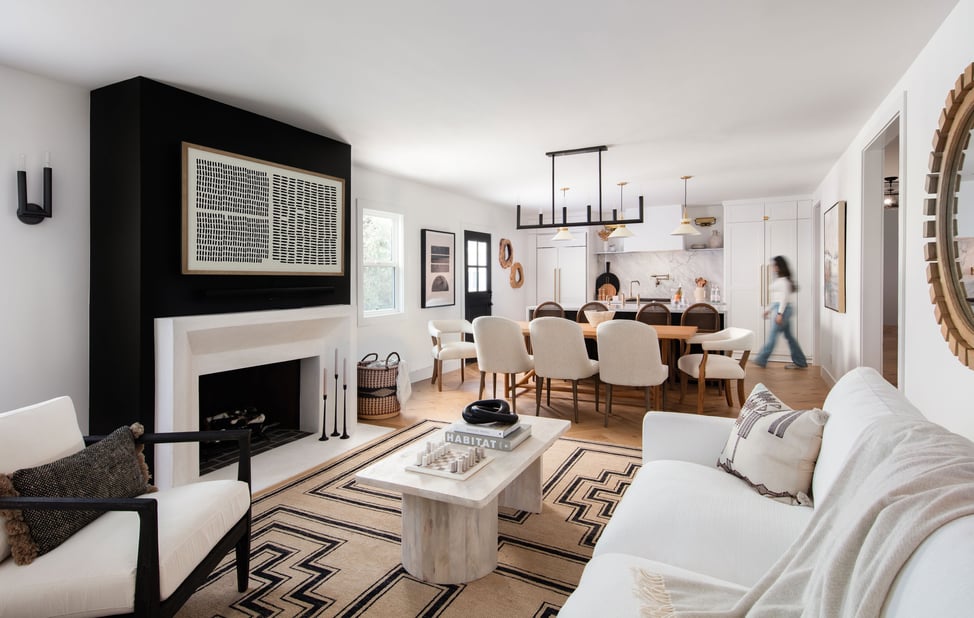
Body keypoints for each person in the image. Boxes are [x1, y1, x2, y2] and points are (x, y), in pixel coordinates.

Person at [753, 255, 808, 368]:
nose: (772, 267)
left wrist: (779, 314)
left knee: (773, 335)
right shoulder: (780, 279)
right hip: (781, 308)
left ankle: (761, 359)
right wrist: (768, 310)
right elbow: (776, 299)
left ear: (779, 266)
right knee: (789, 337)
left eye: (774, 265)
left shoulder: (783, 282)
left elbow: (783, 299)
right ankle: (800, 361)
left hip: (784, 309)